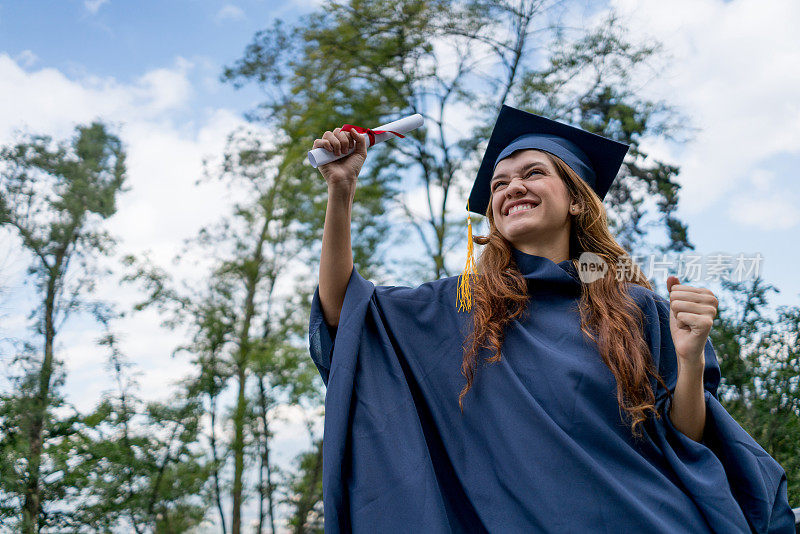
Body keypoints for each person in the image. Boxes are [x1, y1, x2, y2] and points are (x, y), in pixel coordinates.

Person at [308, 105, 795, 533]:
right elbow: (345, 313)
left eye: (534, 173)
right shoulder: (455, 308)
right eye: (499, 183)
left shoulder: (638, 308)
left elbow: (687, 440)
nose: (513, 186)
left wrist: (688, 359)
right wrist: (342, 190)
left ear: (577, 198)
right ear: (493, 214)